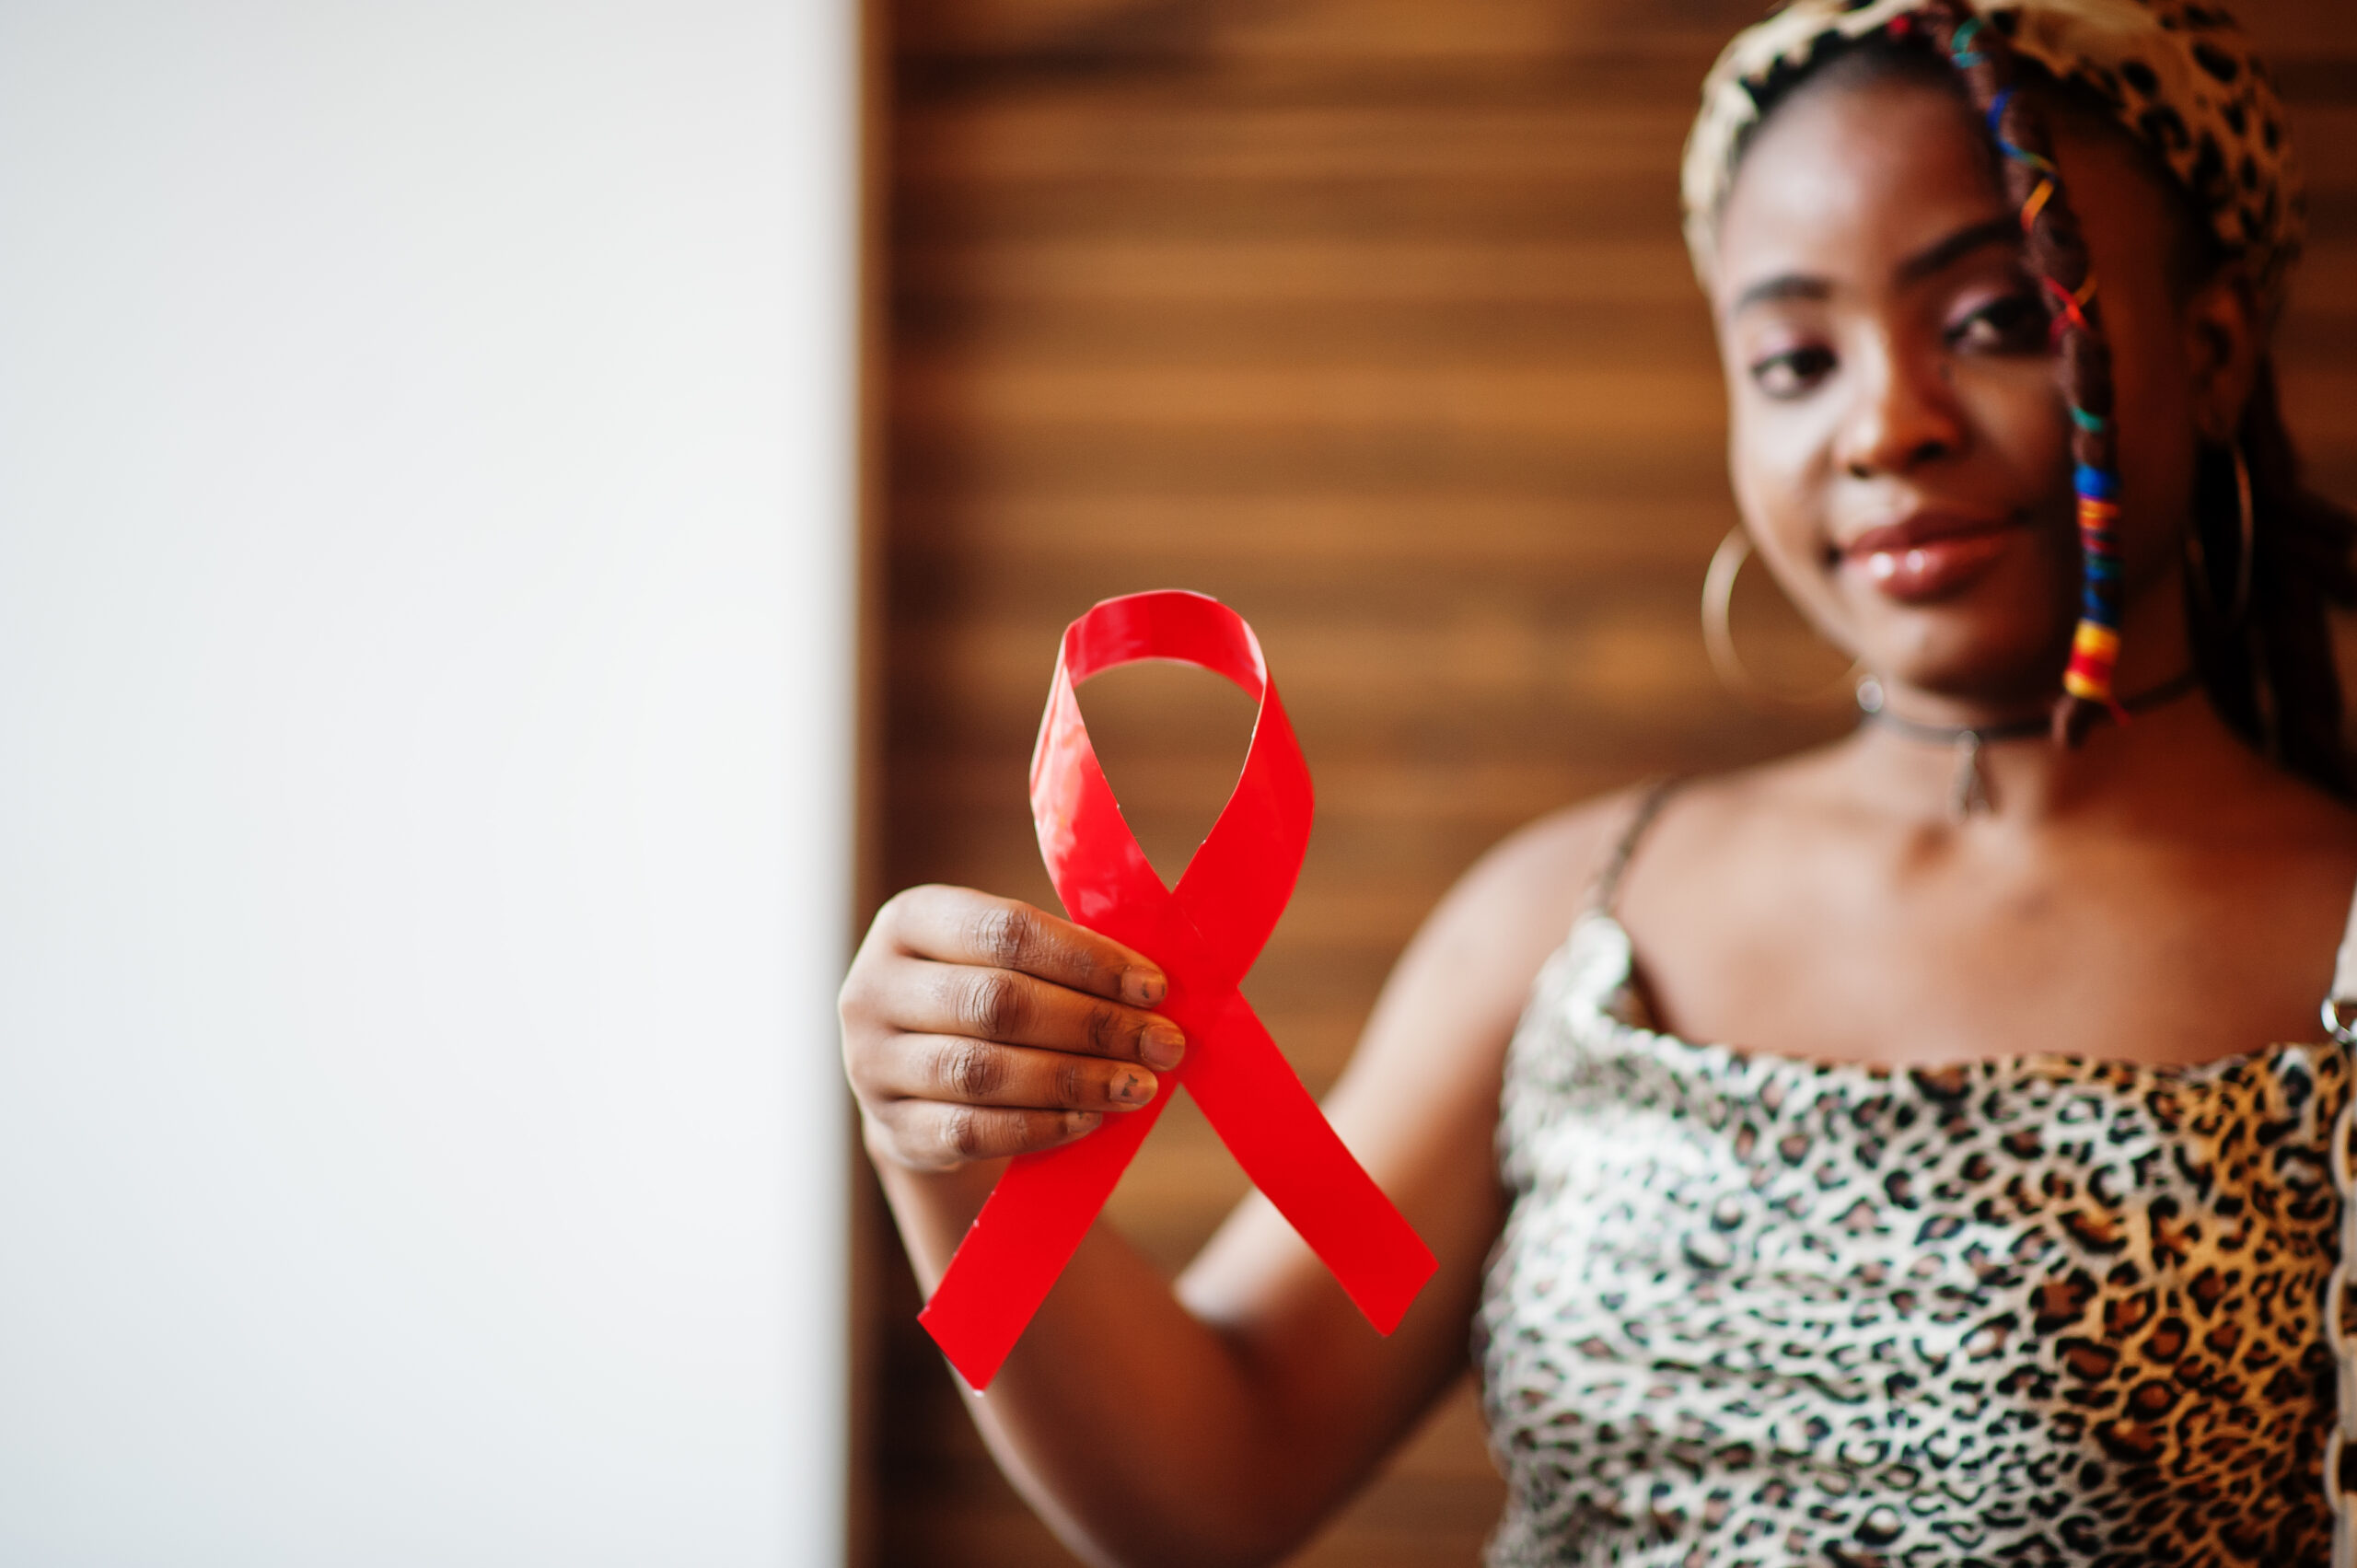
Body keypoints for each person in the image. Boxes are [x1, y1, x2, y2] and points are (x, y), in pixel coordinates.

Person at [837, 0, 2357, 1561]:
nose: (1884, 426)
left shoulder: (2339, 952)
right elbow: (1211, 1480)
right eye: (1794, 358)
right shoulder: (1574, 914)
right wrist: (945, 1161)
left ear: (2215, 348)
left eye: (1992, 322)